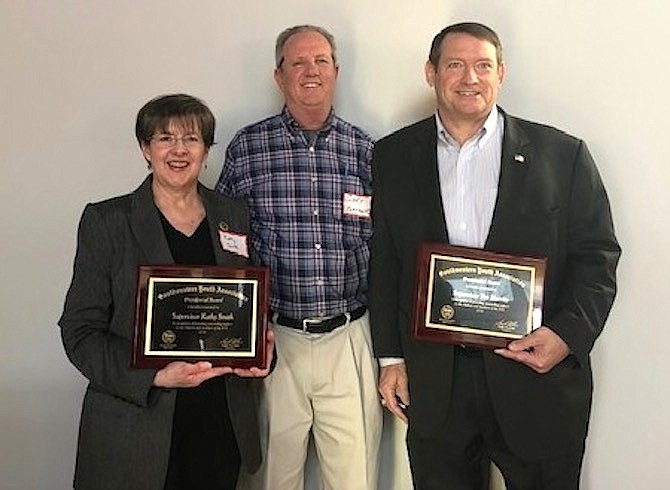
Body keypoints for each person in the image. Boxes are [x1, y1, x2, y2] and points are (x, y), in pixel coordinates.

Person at [369, 22, 621, 490]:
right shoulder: (392, 156)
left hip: (534, 377)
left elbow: (598, 257)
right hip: (435, 381)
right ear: (431, 72)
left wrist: (567, 336)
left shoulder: (561, 155)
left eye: (483, 65)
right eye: (455, 65)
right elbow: (384, 264)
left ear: (501, 73)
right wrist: (389, 359)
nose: (470, 78)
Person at [59, 94, 274, 490]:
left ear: (207, 149)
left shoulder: (234, 215)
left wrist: (260, 348)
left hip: (218, 424)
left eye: (191, 139)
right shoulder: (108, 221)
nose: (179, 150)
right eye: (164, 138)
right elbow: (79, 332)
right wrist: (153, 376)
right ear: (145, 148)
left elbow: (243, 307)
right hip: (136, 429)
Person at [216, 25, 381, 490]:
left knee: (356, 478)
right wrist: (244, 331)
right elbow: (227, 246)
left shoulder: (366, 150)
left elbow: (386, 243)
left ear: (336, 71)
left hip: (350, 337)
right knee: (271, 477)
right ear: (278, 75)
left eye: (321, 61)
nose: (311, 71)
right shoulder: (247, 148)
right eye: (298, 63)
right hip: (276, 340)